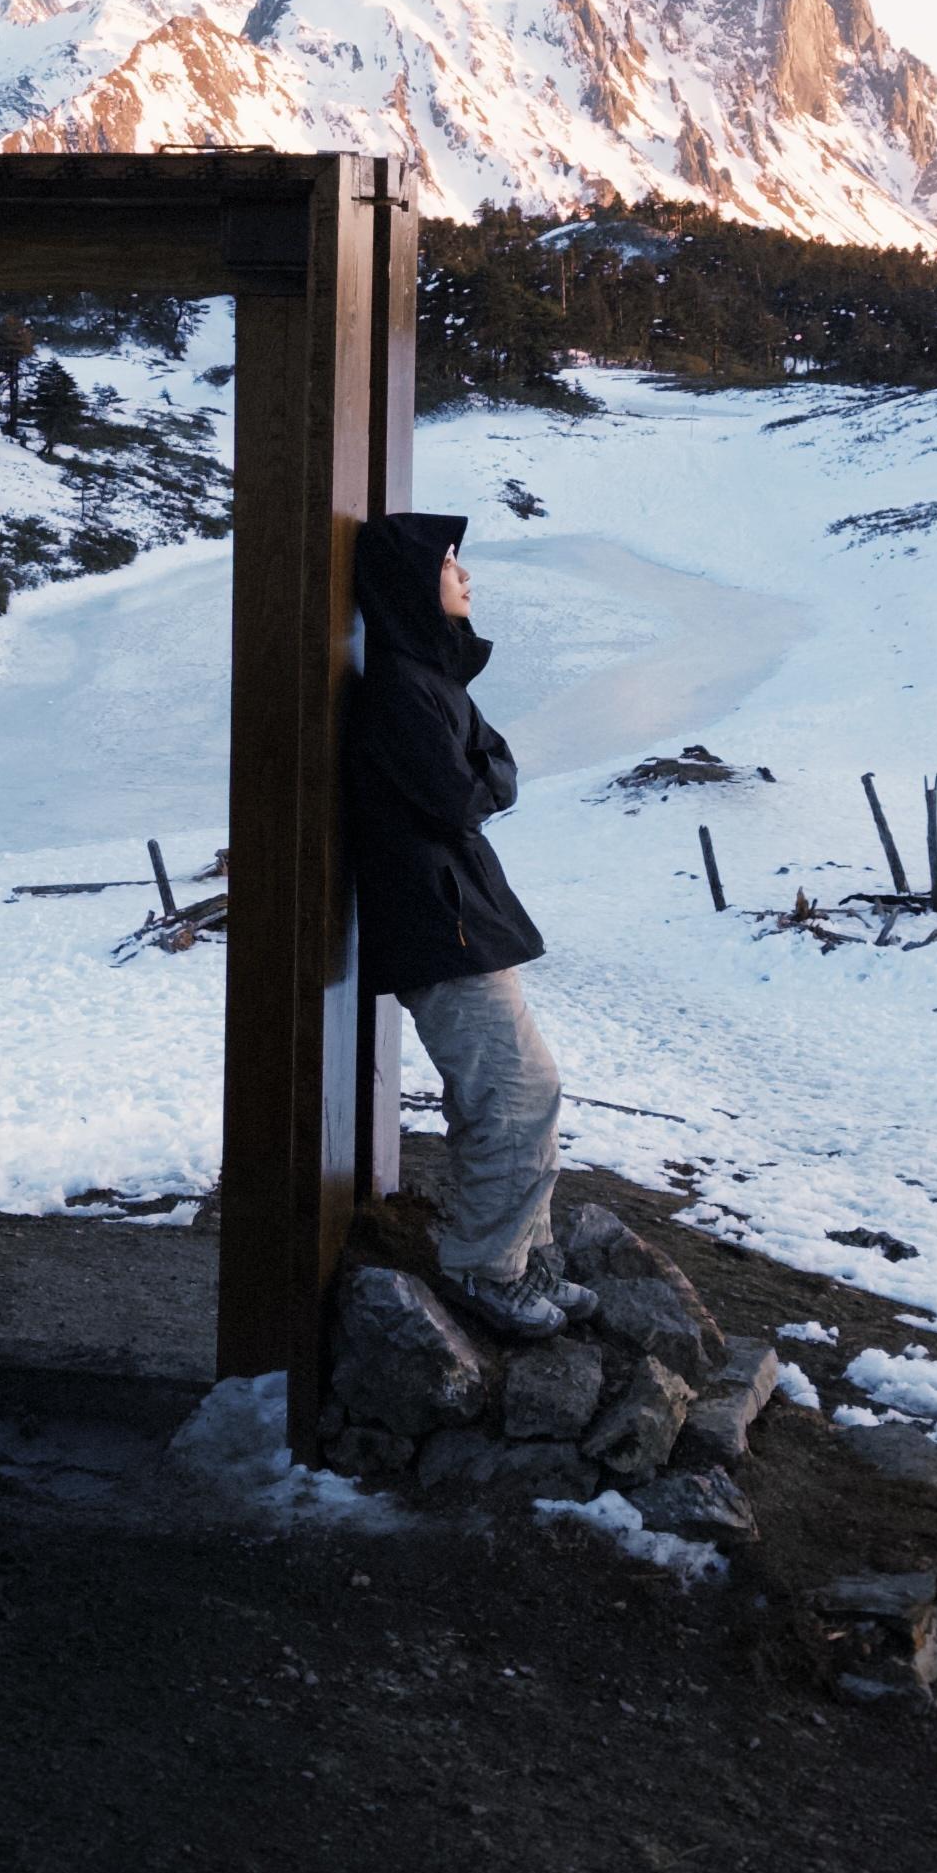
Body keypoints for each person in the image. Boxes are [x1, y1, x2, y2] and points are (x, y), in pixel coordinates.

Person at [347, 510, 589, 1344]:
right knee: (518, 1098)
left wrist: (485, 773)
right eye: (450, 563)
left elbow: (491, 774)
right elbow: (466, 795)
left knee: (518, 1094)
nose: (465, 575)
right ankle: (485, 1266)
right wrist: (487, 774)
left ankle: (525, 1252)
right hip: (440, 921)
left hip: (461, 912)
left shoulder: (430, 680)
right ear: (416, 582)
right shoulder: (404, 691)